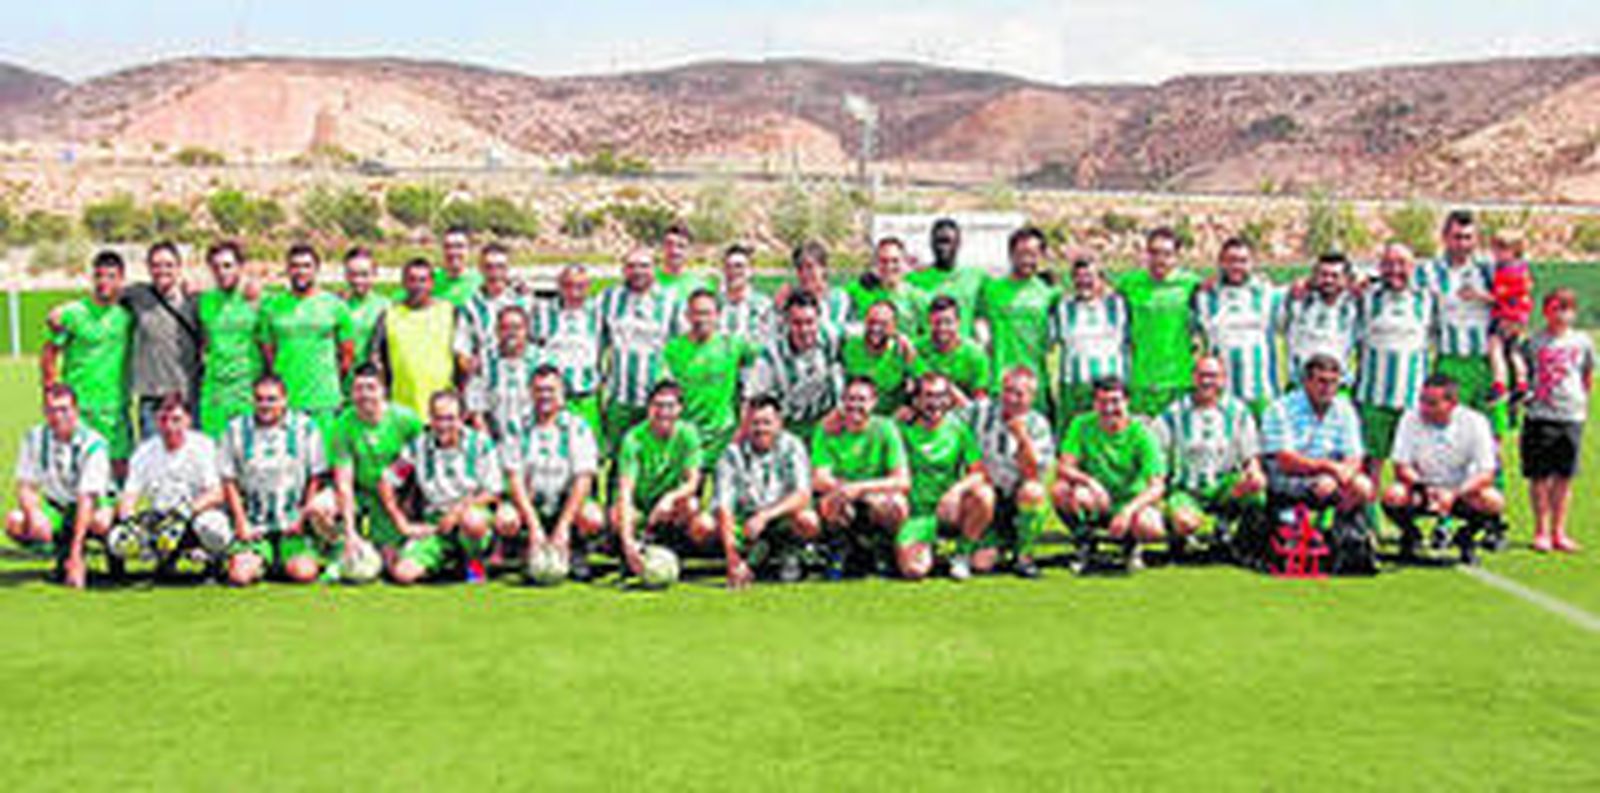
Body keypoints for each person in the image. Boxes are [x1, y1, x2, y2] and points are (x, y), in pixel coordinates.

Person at [1259, 355, 1376, 574]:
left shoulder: (1344, 410)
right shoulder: (1281, 409)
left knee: (1363, 486)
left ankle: (1335, 537)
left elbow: (1354, 457)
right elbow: (1284, 459)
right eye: (1321, 381)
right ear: (1306, 382)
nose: (1328, 388)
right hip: (1288, 477)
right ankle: (1303, 533)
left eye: (1334, 382)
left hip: (1329, 479)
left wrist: (1337, 476)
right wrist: (1327, 468)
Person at [218, 375, 337, 586]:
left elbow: (315, 476)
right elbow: (229, 479)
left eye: (272, 399)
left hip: (291, 522)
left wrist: (302, 517)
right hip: (255, 523)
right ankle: (261, 559)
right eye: (259, 399)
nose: (265, 405)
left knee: (304, 574)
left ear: (285, 400)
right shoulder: (236, 429)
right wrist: (241, 522)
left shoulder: (305, 428)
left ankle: (292, 557)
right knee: (239, 577)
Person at [380, 390, 502, 585]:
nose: (444, 425)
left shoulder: (480, 444)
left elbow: (493, 491)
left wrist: (458, 511)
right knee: (403, 574)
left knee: (472, 521)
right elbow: (387, 481)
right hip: (436, 523)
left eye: (450, 418)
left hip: (469, 515)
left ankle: (474, 561)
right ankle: (447, 561)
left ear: (462, 417)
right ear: (430, 418)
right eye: (438, 418)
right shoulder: (418, 447)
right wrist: (401, 523)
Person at [1382, 374, 1504, 565]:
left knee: (1493, 500)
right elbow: (1401, 466)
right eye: (1422, 400)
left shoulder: (1475, 422)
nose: (1424, 408)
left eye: (1432, 403)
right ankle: (1411, 535)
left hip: (1462, 490)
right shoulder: (1410, 418)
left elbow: (1486, 472)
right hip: (1422, 488)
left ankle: (1466, 536)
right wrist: (1425, 488)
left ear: (1452, 403)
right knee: (1394, 495)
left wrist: (1454, 493)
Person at [498, 366, 606, 581]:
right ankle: (523, 549)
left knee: (593, 517)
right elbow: (514, 479)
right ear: (529, 393)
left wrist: (564, 527)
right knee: (505, 518)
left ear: (562, 393)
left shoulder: (578, 427)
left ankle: (576, 549)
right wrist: (534, 526)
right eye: (539, 390)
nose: (545, 396)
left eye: (551, 390)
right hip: (532, 504)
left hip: (565, 506)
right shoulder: (517, 426)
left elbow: (583, 479)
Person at [1053, 376, 1167, 573]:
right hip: (1098, 498)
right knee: (1061, 490)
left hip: (1131, 502)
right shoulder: (1081, 424)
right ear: (1094, 404)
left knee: (1152, 527)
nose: (1109, 408)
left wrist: (1127, 511)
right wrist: (1090, 482)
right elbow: (1063, 467)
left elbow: (1157, 485)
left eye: (1115, 401)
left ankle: (1131, 545)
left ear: (1127, 402)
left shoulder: (1142, 433)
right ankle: (1084, 541)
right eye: (1102, 402)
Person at [1155, 356, 1266, 557]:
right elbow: (1157, 455)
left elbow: (1251, 457)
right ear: (1193, 378)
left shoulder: (1239, 413)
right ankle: (1183, 535)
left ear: (1223, 379)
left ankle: (1241, 543)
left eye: (1213, 376)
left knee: (1256, 491)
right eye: (1202, 375)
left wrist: (1254, 474)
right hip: (1186, 489)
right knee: (1186, 522)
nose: (1207, 381)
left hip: (1224, 487)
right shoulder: (1173, 414)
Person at [6, 384, 114, 589]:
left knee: (101, 522)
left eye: (64, 409)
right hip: (57, 505)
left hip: (90, 508)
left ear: (76, 411)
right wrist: (33, 514)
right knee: (15, 521)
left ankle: (86, 554)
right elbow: (25, 485)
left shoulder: (94, 444)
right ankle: (58, 549)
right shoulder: (34, 437)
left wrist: (76, 558)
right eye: (51, 410)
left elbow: (87, 499)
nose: (58, 416)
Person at [113, 394, 230, 578]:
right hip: (159, 521)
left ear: (188, 421)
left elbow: (217, 492)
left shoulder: (204, 446)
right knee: (117, 540)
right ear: (156, 421)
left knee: (215, 528)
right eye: (163, 419)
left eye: (176, 420)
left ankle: (213, 561)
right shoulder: (144, 451)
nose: (169, 426)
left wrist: (185, 511)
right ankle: (159, 560)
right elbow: (129, 495)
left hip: (193, 517)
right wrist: (130, 521)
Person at [711, 395, 819, 588]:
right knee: (704, 526)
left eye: (767, 422)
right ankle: (746, 558)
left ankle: (789, 551)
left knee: (808, 520)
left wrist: (764, 516)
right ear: (745, 425)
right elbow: (724, 507)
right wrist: (732, 558)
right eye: (754, 423)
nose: (761, 429)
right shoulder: (730, 454)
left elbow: (802, 495)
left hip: (779, 517)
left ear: (779, 423)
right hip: (745, 520)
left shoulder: (793, 446)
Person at [42, 250, 133, 475]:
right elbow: (50, 352)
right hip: (79, 408)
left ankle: (118, 511)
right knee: (78, 470)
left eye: (111, 276)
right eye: (99, 276)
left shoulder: (128, 315)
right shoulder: (73, 314)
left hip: (115, 407)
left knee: (120, 469)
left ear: (121, 279)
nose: (104, 282)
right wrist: (50, 388)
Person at [958, 366, 1054, 578]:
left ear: (1031, 397)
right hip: (986, 499)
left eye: (1019, 394)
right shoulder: (979, 412)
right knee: (981, 564)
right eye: (1007, 391)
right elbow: (949, 418)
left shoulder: (1038, 425)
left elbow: (1033, 474)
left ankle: (1024, 555)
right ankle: (995, 543)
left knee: (1034, 492)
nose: (1012, 399)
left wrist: (1022, 437)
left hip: (1016, 498)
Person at [329, 364, 425, 574]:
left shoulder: (407, 420)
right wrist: (350, 531)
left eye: (371, 387)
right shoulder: (342, 424)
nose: (365, 395)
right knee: (322, 508)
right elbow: (343, 482)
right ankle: (340, 549)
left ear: (384, 390)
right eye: (359, 388)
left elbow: (425, 464)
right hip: (362, 494)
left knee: (393, 564)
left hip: (396, 496)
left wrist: (409, 504)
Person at [1354, 242, 1437, 485]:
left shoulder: (1427, 298)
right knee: (1370, 467)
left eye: (1402, 264)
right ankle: (1367, 521)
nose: (1395, 270)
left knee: (1413, 468)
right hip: (1373, 398)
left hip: (1412, 401)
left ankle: (1410, 519)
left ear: (1413, 267)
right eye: (1389, 264)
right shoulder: (1367, 297)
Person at [811, 377, 911, 577]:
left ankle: (881, 549)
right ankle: (839, 550)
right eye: (849, 399)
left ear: (874, 402)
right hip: (842, 496)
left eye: (861, 400)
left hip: (873, 497)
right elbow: (819, 479)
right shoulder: (826, 430)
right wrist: (847, 490)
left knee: (897, 505)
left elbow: (903, 481)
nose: (855, 405)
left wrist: (861, 489)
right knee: (830, 502)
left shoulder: (886, 428)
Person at [899, 373, 993, 581]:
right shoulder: (902, 428)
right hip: (916, 514)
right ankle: (927, 550)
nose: (936, 403)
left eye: (942, 396)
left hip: (949, 509)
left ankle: (962, 554)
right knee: (914, 571)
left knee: (984, 495)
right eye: (929, 396)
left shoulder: (957, 428)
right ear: (916, 400)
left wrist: (955, 491)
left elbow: (979, 473)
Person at [1416, 210, 1504, 432]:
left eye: (1468, 237)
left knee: (1492, 431)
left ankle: (1492, 468)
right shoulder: (1428, 272)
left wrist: (1485, 297)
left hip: (1486, 362)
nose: (1463, 244)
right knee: (1450, 429)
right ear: (1445, 237)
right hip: (1450, 360)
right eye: (1457, 237)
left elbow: (1514, 305)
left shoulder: (1489, 271)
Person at [1522, 289, 1594, 553]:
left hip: (1570, 415)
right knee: (1539, 476)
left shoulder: (1582, 342)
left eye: (1567, 309)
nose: (1561, 314)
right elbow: (1523, 372)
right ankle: (1541, 530)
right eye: (1555, 308)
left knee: (1564, 477)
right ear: (1545, 311)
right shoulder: (1534, 342)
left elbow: (1586, 375)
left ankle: (1559, 531)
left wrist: (1580, 404)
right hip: (1539, 415)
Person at [611, 381, 706, 579]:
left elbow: (693, 482)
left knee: (691, 504)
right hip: (640, 505)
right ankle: (628, 551)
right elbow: (626, 492)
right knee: (618, 513)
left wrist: (670, 498)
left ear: (679, 409)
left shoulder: (689, 434)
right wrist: (627, 542)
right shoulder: (633, 439)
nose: (663, 412)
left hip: (667, 509)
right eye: (658, 405)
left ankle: (674, 547)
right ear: (648, 408)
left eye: (670, 406)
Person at [260, 243, 354, 439]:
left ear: (316, 269)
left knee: (323, 464)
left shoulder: (336, 306)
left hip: (323, 401)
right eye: (295, 266)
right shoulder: (272, 306)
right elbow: (268, 352)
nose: (300, 271)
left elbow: (347, 355)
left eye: (306, 266)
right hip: (285, 401)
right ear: (287, 269)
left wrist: (327, 380)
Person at [597, 247, 679, 454]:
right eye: (631, 266)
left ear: (655, 268)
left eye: (644, 265)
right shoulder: (609, 298)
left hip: (655, 400)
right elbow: (597, 341)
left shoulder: (670, 301)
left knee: (653, 458)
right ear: (623, 270)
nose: (638, 271)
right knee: (617, 457)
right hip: (620, 397)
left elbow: (680, 347)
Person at [664, 290, 756, 468]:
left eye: (707, 313)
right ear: (687, 316)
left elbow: (768, 352)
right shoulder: (673, 350)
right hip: (688, 436)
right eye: (696, 313)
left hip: (723, 436)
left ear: (718, 315)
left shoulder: (732, 345)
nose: (701, 319)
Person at [1193, 237, 1285, 416]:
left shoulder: (1267, 293)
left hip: (1260, 392)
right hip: (1221, 394)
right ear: (1221, 262)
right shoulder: (1204, 297)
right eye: (1231, 261)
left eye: (1243, 261)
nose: (1237, 266)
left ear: (1252, 263)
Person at [1117, 227, 1202, 416]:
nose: (1160, 260)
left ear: (1177, 257)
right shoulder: (1129, 284)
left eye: (1166, 254)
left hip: (1179, 380)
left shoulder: (1191, 284)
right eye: (1154, 253)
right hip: (1141, 381)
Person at [120, 241, 200, 440]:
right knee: (153, 463)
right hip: (152, 399)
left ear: (179, 267)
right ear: (148, 268)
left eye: (168, 265)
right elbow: (103, 294)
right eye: (156, 265)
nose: (162, 270)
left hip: (187, 397)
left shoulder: (195, 302)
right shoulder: (137, 296)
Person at [977, 227, 1059, 413]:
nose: (1026, 260)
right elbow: (974, 323)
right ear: (1010, 255)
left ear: (1042, 256)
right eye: (1021, 254)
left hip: (1035, 386)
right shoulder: (991, 290)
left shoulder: (1050, 295)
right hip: (999, 384)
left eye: (1033, 254)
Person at [747, 291, 843, 442]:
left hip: (828, 425)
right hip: (787, 430)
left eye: (809, 322)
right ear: (786, 322)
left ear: (819, 319)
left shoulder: (832, 338)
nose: (804, 330)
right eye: (797, 323)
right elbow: (754, 403)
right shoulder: (769, 357)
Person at [1048, 257, 1128, 433]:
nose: (1084, 282)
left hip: (1110, 388)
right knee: (1072, 438)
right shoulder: (1063, 308)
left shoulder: (1117, 305)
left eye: (1090, 276)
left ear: (1101, 279)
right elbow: (1050, 342)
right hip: (1074, 386)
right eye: (1078, 277)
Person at [373, 258, 457, 419]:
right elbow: (377, 361)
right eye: (412, 280)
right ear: (403, 283)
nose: (418, 286)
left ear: (432, 283)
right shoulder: (389, 315)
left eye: (423, 280)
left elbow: (462, 359)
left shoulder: (449, 312)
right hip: (401, 410)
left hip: (442, 412)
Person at [195, 241, 263, 438]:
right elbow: (205, 342)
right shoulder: (205, 301)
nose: (222, 272)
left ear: (240, 267)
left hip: (246, 392)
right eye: (216, 267)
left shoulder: (258, 301)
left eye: (227, 266)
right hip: (214, 393)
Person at [455, 242, 526, 424]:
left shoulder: (523, 302)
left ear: (508, 269)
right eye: (489, 267)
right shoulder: (471, 307)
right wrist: (475, 368)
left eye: (500, 267)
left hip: (520, 383)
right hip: (486, 383)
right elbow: (462, 350)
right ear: (480, 269)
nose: (495, 273)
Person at [531, 264, 604, 439]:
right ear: (559, 285)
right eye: (568, 285)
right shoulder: (541, 311)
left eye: (580, 286)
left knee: (588, 446)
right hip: (552, 397)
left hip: (586, 395)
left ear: (589, 287)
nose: (574, 293)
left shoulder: (598, 310)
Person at [1286, 253, 1359, 384]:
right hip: (1300, 385)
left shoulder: (1355, 305)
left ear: (1346, 279)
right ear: (1314, 276)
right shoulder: (1297, 301)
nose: (1328, 280)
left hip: (1338, 386)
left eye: (1335, 276)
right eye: (1323, 275)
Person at [907, 218, 985, 338]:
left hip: (962, 353)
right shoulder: (914, 279)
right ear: (931, 244)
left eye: (947, 242)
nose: (942, 248)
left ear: (958, 243)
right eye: (938, 242)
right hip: (927, 353)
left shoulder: (976, 277)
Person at [841, 300, 918, 415]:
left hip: (890, 419)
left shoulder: (902, 351)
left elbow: (917, 386)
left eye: (883, 324)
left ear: (894, 326)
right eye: (872, 322)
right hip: (855, 415)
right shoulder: (850, 346)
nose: (876, 328)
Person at [1486, 228, 1534, 411]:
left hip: (1507, 315)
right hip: (1520, 316)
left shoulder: (1508, 271)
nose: (1496, 254)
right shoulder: (1522, 268)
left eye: (1500, 249)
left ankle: (1500, 384)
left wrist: (1476, 295)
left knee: (1495, 347)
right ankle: (1522, 383)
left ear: (1514, 250)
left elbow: (1498, 296)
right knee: (1514, 350)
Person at [477, 304, 540, 440]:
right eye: (505, 328)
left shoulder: (542, 360)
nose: (512, 333)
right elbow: (477, 411)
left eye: (517, 328)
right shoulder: (485, 360)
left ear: (527, 330)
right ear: (496, 331)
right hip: (497, 441)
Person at [913, 296, 990, 406]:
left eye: (948, 322)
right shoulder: (917, 348)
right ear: (929, 323)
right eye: (937, 323)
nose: (942, 328)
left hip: (962, 412)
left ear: (958, 322)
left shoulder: (976, 355)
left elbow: (980, 398)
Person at [845, 237, 928, 337]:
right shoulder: (862, 291)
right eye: (884, 261)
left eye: (895, 260)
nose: (889, 266)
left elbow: (928, 336)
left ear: (904, 262)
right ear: (876, 263)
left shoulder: (917, 297)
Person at [779, 240, 854, 336]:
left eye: (810, 267)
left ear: (823, 268)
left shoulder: (840, 299)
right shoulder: (792, 301)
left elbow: (849, 331)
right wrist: (777, 309)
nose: (804, 274)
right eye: (799, 268)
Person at [341, 246, 391, 387]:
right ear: (346, 275)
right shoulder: (337, 306)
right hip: (343, 385)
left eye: (364, 274)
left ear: (375, 274)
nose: (358, 280)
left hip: (374, 385)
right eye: (353, 274)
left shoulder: (386, 307)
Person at [717, 242, 776, 346]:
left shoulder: (764, 306)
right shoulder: (715, 305)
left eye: (739, 266)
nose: (733, 271)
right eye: (728, 266)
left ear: (750, 271)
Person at [657, 222, 714, 303]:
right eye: (669, 244)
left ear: (690, 250)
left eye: (681, 246)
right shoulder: (648, 279)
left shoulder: (702, 284)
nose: (674, 251)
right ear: (662, 246)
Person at [433, 226, 483, 308]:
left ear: (470, 249)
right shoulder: (428, 280)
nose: (453, 252)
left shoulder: (479, 282)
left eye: (459, 246)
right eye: (448, 247)